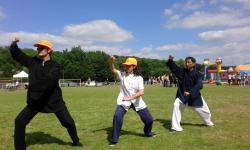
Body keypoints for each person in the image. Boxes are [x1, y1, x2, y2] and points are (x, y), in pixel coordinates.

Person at [10, 38, 82, 150]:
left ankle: (76, 141)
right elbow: (18, 55)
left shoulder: (55, 66)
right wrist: (14, 44)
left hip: (54, 101)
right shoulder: (32, 62)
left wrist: (32, 86)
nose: (38, 49)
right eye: (38, 47)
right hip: (36, 101)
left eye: (41, 47)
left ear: (49, 50)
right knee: (19, 121)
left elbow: (49, 81)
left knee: (69, 123)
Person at [109, 56, 155, 146]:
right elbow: (113, 69)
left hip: (137, 102)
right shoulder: (122, 75)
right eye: (126, 65)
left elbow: (141, 92)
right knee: (117, 116)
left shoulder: (139, 78)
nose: (126, 67)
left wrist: (130, 97)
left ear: (134, 66)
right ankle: (114, 140)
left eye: (129, 66)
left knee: (149, 120)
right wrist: (111, 61)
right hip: (123, 101)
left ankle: (148, 132)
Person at [166, 55, 214, 132]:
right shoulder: (182, 72)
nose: (187, 63)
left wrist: (190, 92)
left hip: (194, 97)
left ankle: (208, 122)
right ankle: (176, 127)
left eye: (189, 62)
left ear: (194, 64)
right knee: (176, 105)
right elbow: (174, 68)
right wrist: (170, 60)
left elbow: (199, 85)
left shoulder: (197, 74)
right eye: (186, 62)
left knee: (206, 112)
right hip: (182, 96)